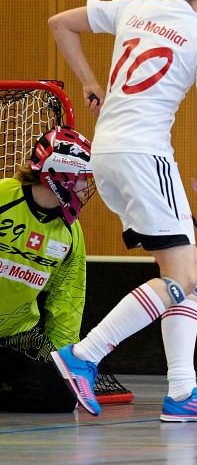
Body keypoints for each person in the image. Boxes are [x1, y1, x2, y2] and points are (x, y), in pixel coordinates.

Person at [47, 0, 197, 422]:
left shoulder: (133, 7)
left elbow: (58, 22)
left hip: (104, 152)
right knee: (184, 277)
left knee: (187, 276)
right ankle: (83, 356)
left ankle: (183, 393)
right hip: (145, 156)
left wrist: (90, 82)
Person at [0, 126, 94, 413]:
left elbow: (67, 301)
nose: (84, 187)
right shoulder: (4, 196)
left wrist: (65, 362)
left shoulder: (70, 232)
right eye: (81, 179)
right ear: (59, 175)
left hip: (17, 335)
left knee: (61, 396)